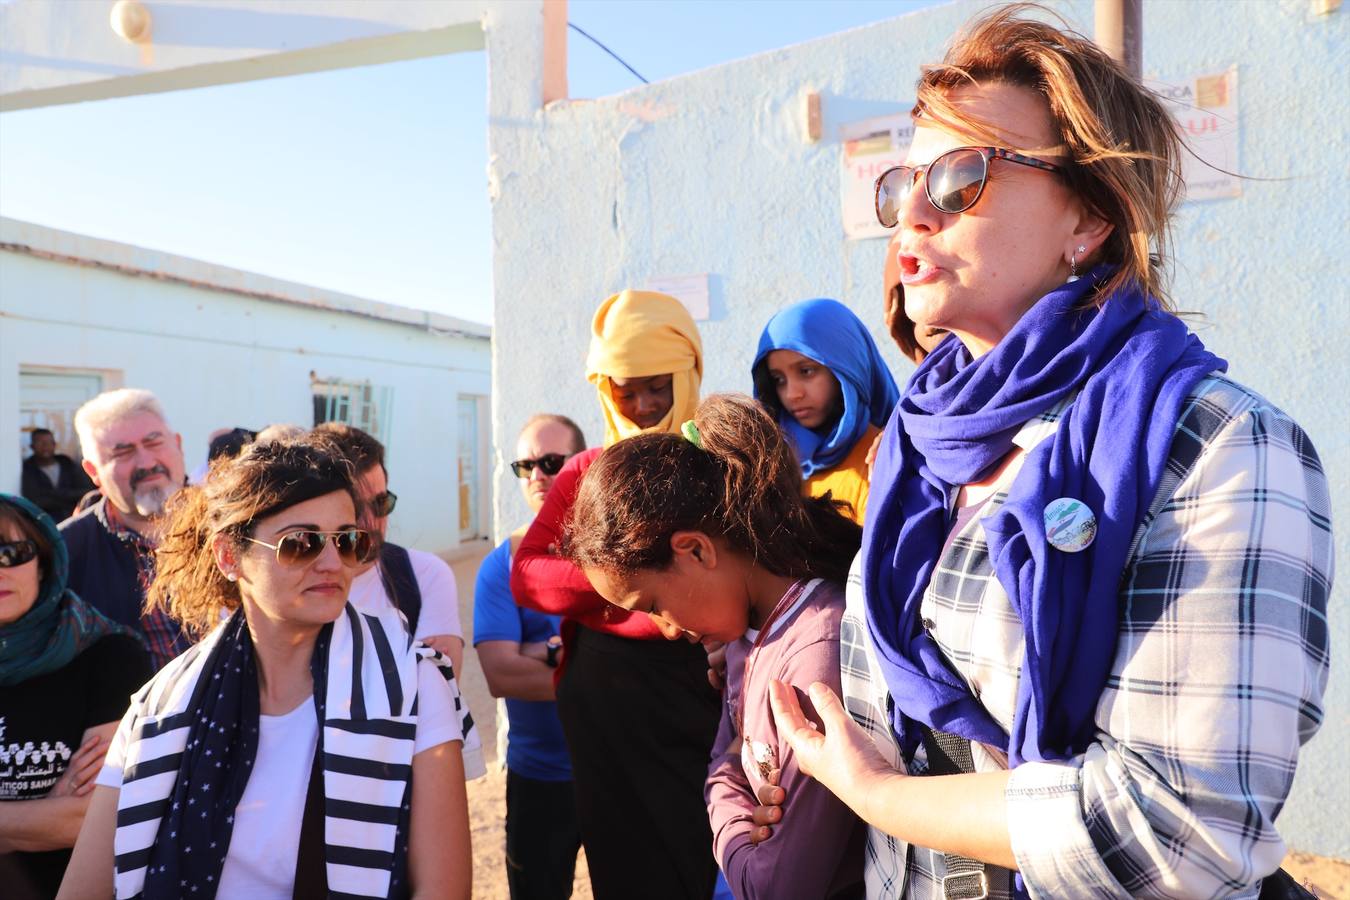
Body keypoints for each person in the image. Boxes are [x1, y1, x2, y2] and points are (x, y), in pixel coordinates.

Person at [763, 9, 1333, 899]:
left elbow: (1176, 834)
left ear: (1089, 220)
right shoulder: (916, 450)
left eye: (960, 178)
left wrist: (877, 795)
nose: (911, 211)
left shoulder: (1218, 444)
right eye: (902, 182)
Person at [58, 440, 475, 900]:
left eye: (347, 539)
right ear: (228, 556)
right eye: (301, 543)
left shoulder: (413, 685)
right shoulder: (158, 708)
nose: (333, 563)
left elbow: (443, 889)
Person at [564, 395, 866, 900]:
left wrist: (723, 787)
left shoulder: (814, 657)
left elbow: (776, 886)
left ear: (696, 549)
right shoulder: (745, 640)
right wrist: (741, 803)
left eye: (654, 603)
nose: (663, 628)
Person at [511, 290, 722, 900]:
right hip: (604, 709)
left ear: (687, 372)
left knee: (707, 851)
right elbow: (528, 572)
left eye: (657, 384)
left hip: (702, 693)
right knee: (624, 866)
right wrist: (639, 594)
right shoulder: (585, 472)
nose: (643, 404)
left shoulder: (717, 462)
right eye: (625, 389)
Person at [0, 495, 151, 899]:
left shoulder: (109, 656)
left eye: (12, 553)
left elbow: (87, 818)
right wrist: (36, 817)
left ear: (43, 562)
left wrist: (60, 816)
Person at [474, 413, 586, 900]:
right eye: (525, 466)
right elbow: (501, 674)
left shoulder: (617, 550)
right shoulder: (503, 563)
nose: (537, 475)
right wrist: (592, 660)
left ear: (580, 463)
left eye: (551, 462)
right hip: (538, 777)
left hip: (617, 771)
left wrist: (540, 653)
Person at [59, 389, 190, 671]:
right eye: (123, 452)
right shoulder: (63, 553)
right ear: (93, 472)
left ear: (178, 445)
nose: (145, 462)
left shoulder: (235, 523)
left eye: (154, 443)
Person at [752, 299, 899, 522]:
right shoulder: (771, 469)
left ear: (849, 369)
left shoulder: (881, 461)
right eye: (778, 379)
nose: (792, 393)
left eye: (806, 371)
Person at [20, 430, 94, 523]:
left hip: (74, 518)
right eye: (40, 443)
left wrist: (54, 494)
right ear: (32, 446)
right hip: (46, 522)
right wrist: (67, 497)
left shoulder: (66, 463)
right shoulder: (28, 468)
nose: (45, 446)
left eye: (49, 442)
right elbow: (35, 500)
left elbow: (85, 490)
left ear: (54, 444)